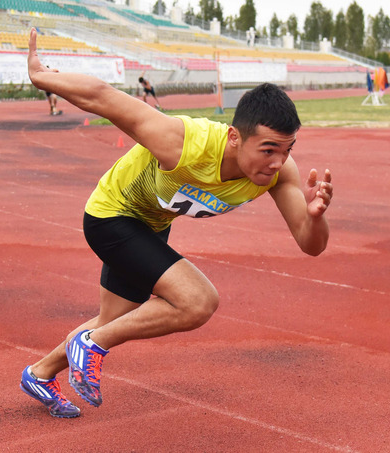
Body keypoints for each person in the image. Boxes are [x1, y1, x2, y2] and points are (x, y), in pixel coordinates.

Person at [20, 28, 333, 419]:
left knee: (114, 319)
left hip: (150, 226)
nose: (276, 161)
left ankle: (41, 373)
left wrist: (316, 217)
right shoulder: (183, 142)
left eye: (287, 150)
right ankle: (92, 344)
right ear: (235, 137)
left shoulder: (280, 172)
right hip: (111, 215)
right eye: (268, 149)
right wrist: (42, 77)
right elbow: (104, 97)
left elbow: (311, 244)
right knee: (197, 301)